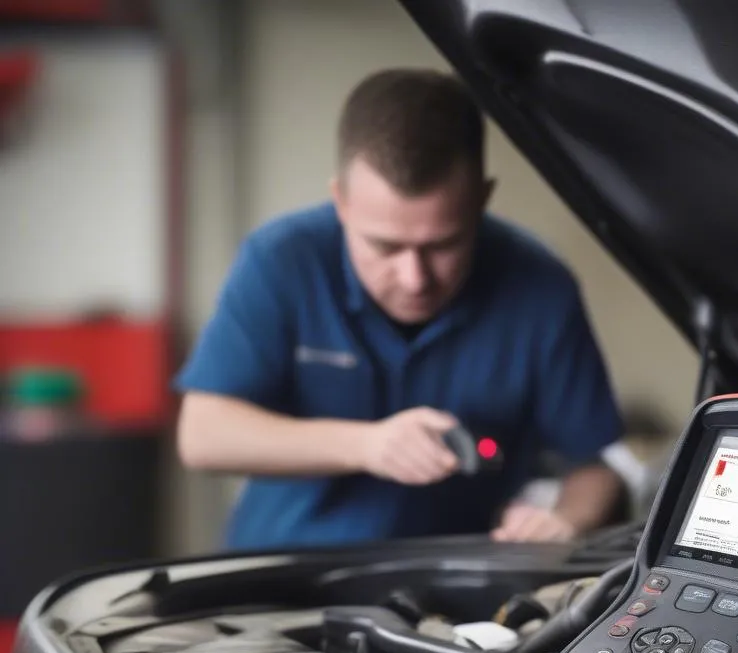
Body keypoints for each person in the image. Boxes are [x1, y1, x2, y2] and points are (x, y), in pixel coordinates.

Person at [175, 68, 627, 551]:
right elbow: (203, 435)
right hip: (278, 576)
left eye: (443, 245)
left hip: (457, 588)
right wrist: (365, 445)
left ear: (482, 200)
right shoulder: (281, 260)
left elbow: (596, 469)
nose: (415, 278)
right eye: (385, 246)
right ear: (341, 202)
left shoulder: (542, 287)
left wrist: (565, 521)